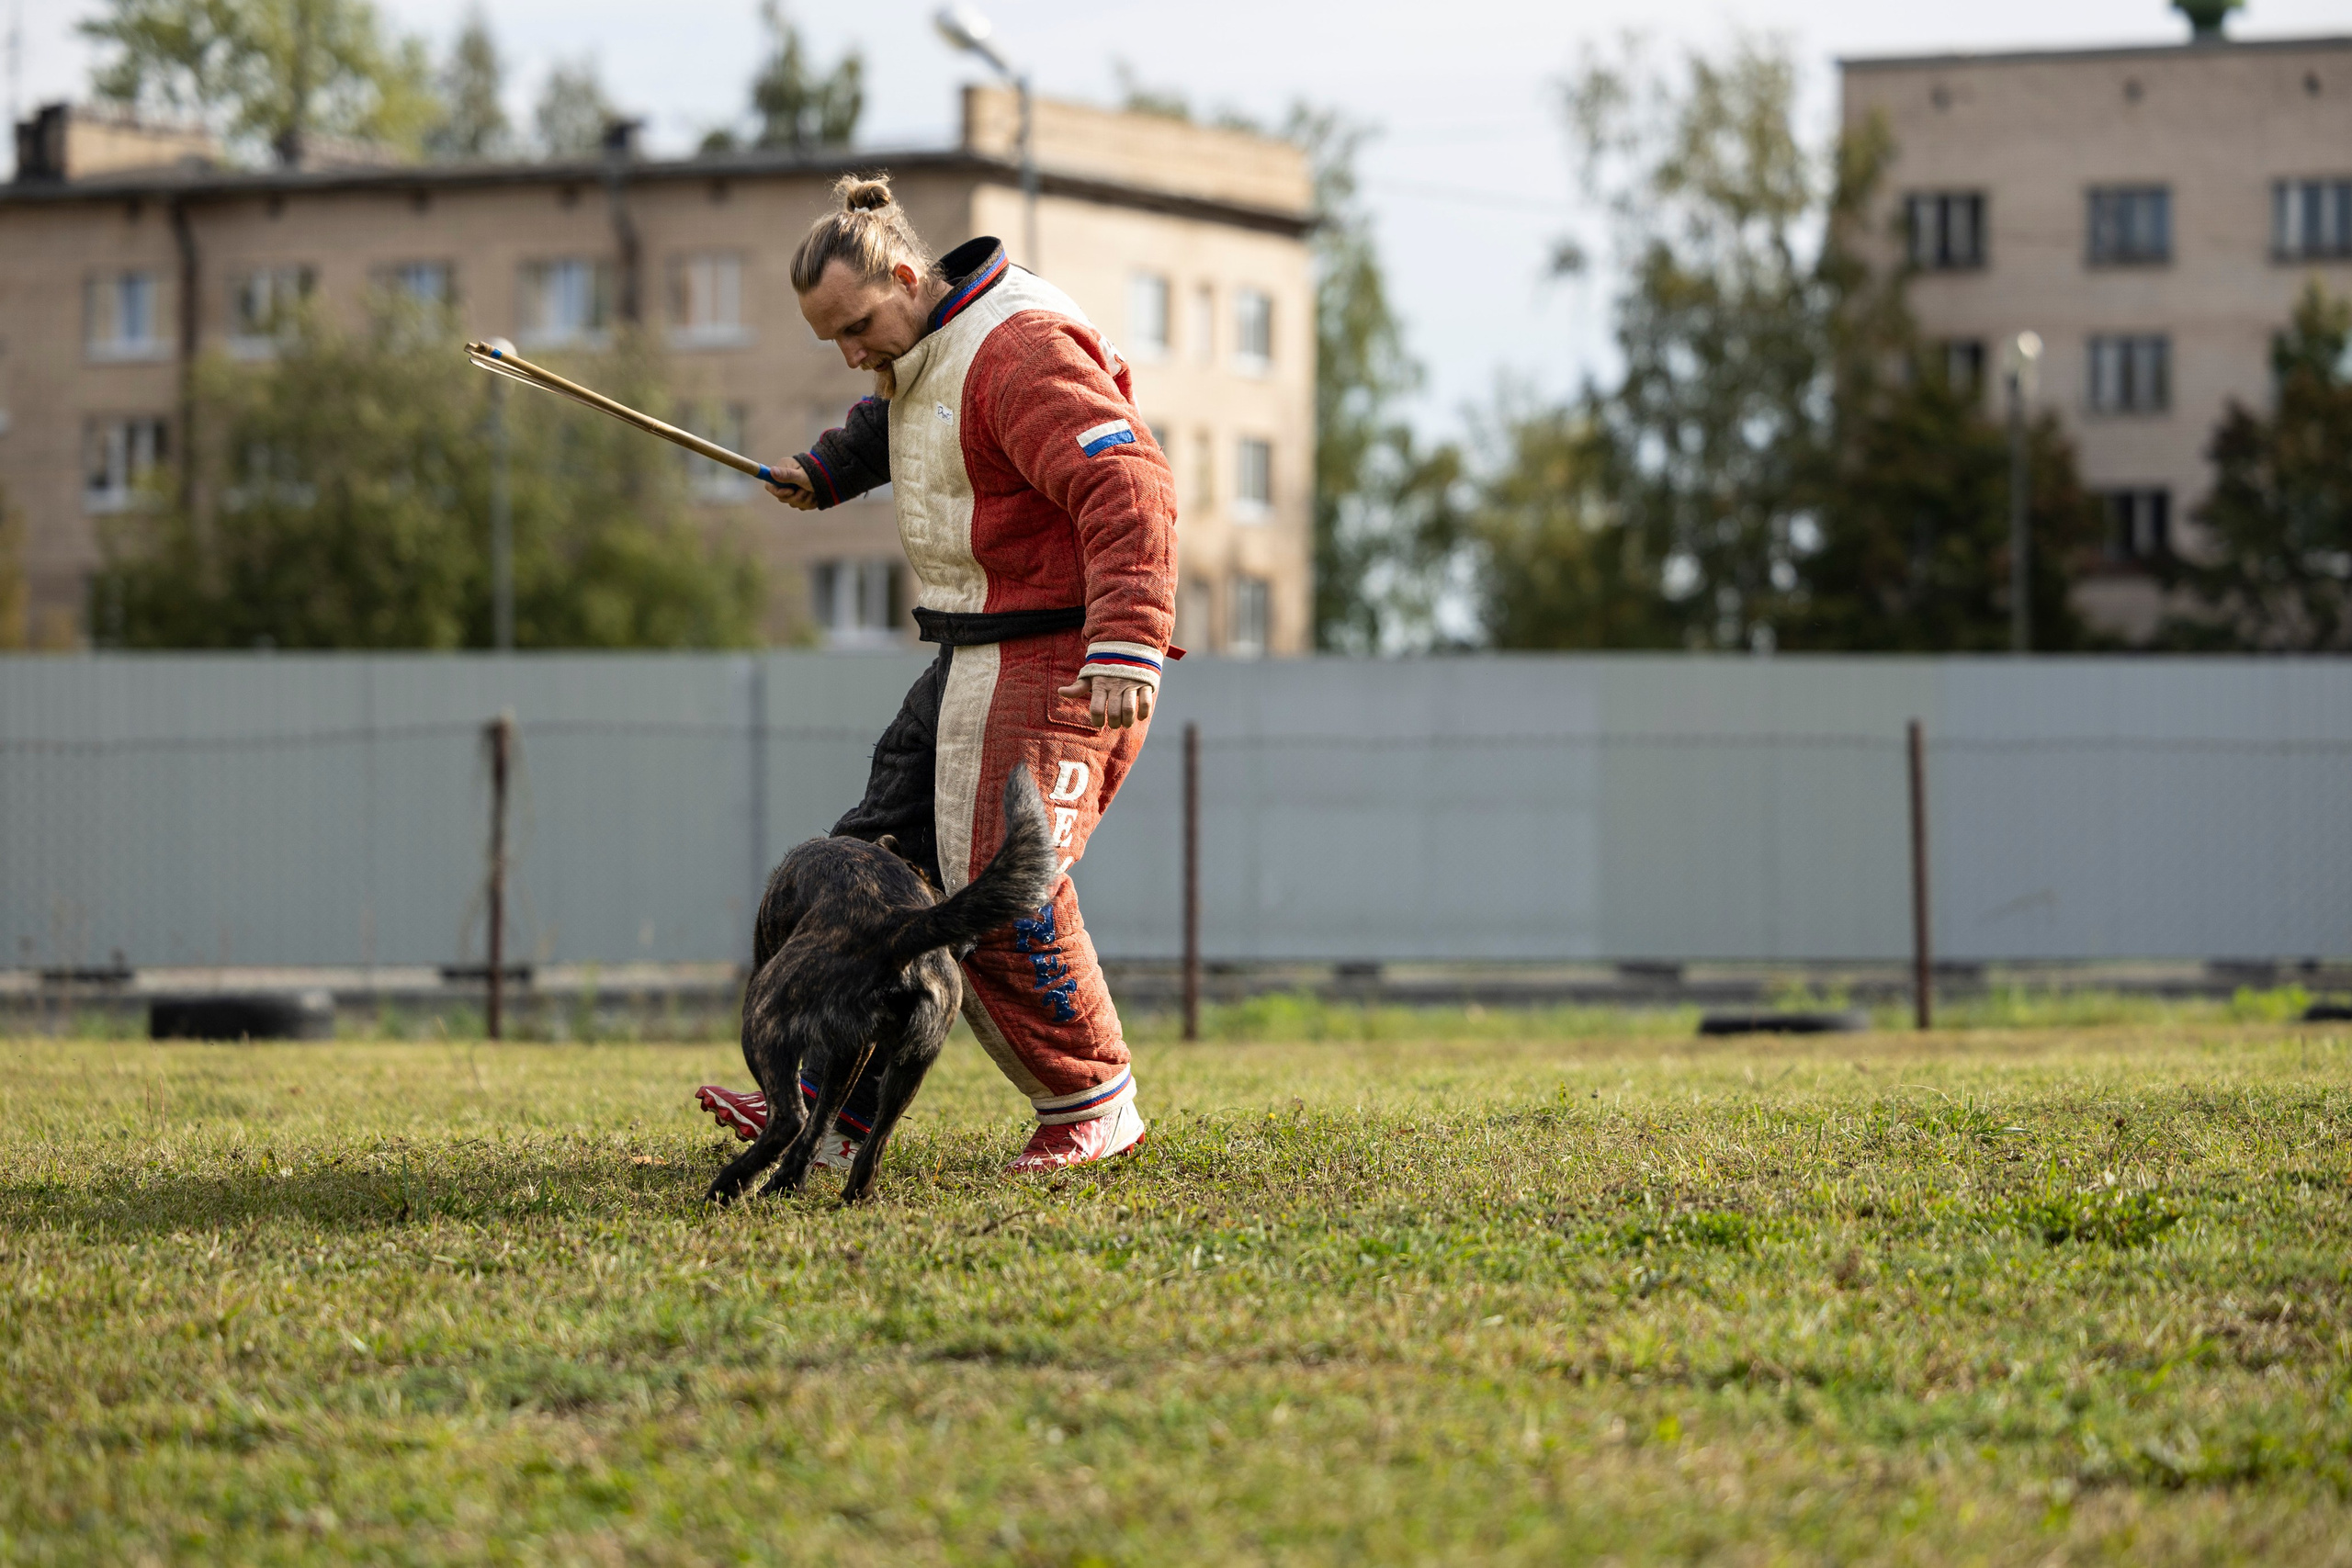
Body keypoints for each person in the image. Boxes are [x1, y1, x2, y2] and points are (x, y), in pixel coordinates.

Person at [696, 174, 1176, 1174]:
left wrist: (1127, 641)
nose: (852, 353)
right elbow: (908, 415)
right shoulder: (931, 342)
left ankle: (1091, 1101)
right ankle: (833, 1110)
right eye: (833, 339)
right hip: (972, 646)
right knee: (869, 874)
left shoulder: (1018, 347)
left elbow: (1124, 480)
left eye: (858, 325)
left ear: (909, 277)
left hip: (1059, 655)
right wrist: (827, 470)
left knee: (1003, 883)